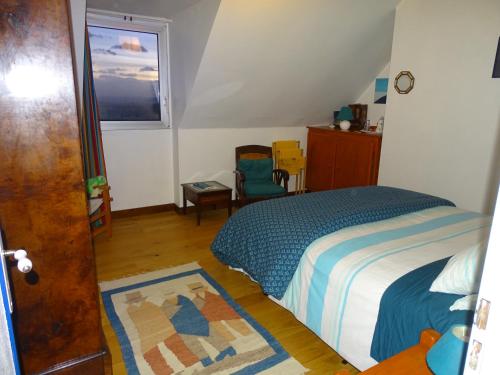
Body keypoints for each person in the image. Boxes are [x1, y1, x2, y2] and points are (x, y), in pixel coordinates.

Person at [125, 291, 198, 374]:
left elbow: (163, 312)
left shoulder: (149, 304)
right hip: (146, 333)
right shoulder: (130, 310)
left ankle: (191, 364)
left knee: (177, 345)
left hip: (164, 327)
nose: (136, 301)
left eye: (137, 299)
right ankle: (164, 371)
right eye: (134, 300)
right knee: (149, 352)